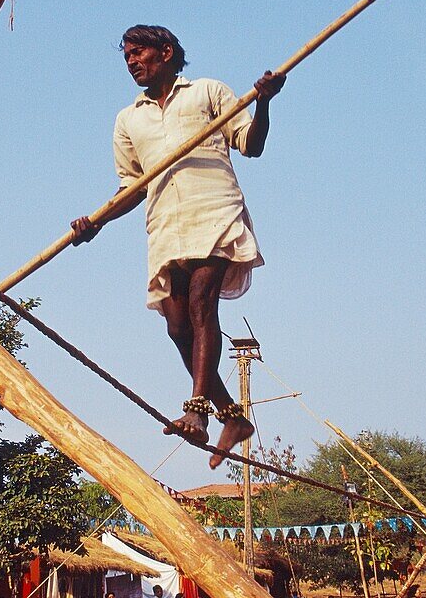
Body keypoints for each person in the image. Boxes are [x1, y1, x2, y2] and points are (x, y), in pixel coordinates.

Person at [71, 25, 286, 468]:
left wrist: (263, 101)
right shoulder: (128, 119)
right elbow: (130, 187)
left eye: (138, 53)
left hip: (214, 210)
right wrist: (97, 222)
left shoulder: (207, 92)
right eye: (126, 56)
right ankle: (233, 416)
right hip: (166, 222)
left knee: (203, 305)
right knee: (177, 326)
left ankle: (198, 410)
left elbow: (252, 144)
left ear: (165, 52)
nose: (131, 62)